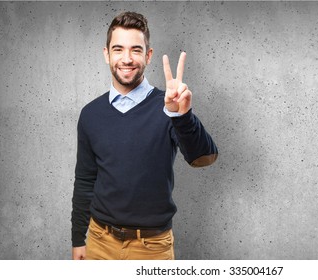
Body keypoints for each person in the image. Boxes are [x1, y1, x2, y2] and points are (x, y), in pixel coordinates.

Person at [71, 11, 218, 260]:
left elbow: (203, 158)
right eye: (118, 49)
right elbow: (85, 181)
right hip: (99, 243)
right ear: (107, 54)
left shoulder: (168, 106)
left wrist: (181, 116)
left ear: (148, 55)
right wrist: (78, 240)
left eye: (136, 50)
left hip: (152, 248)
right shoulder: (90, 114)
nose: (126, 59)